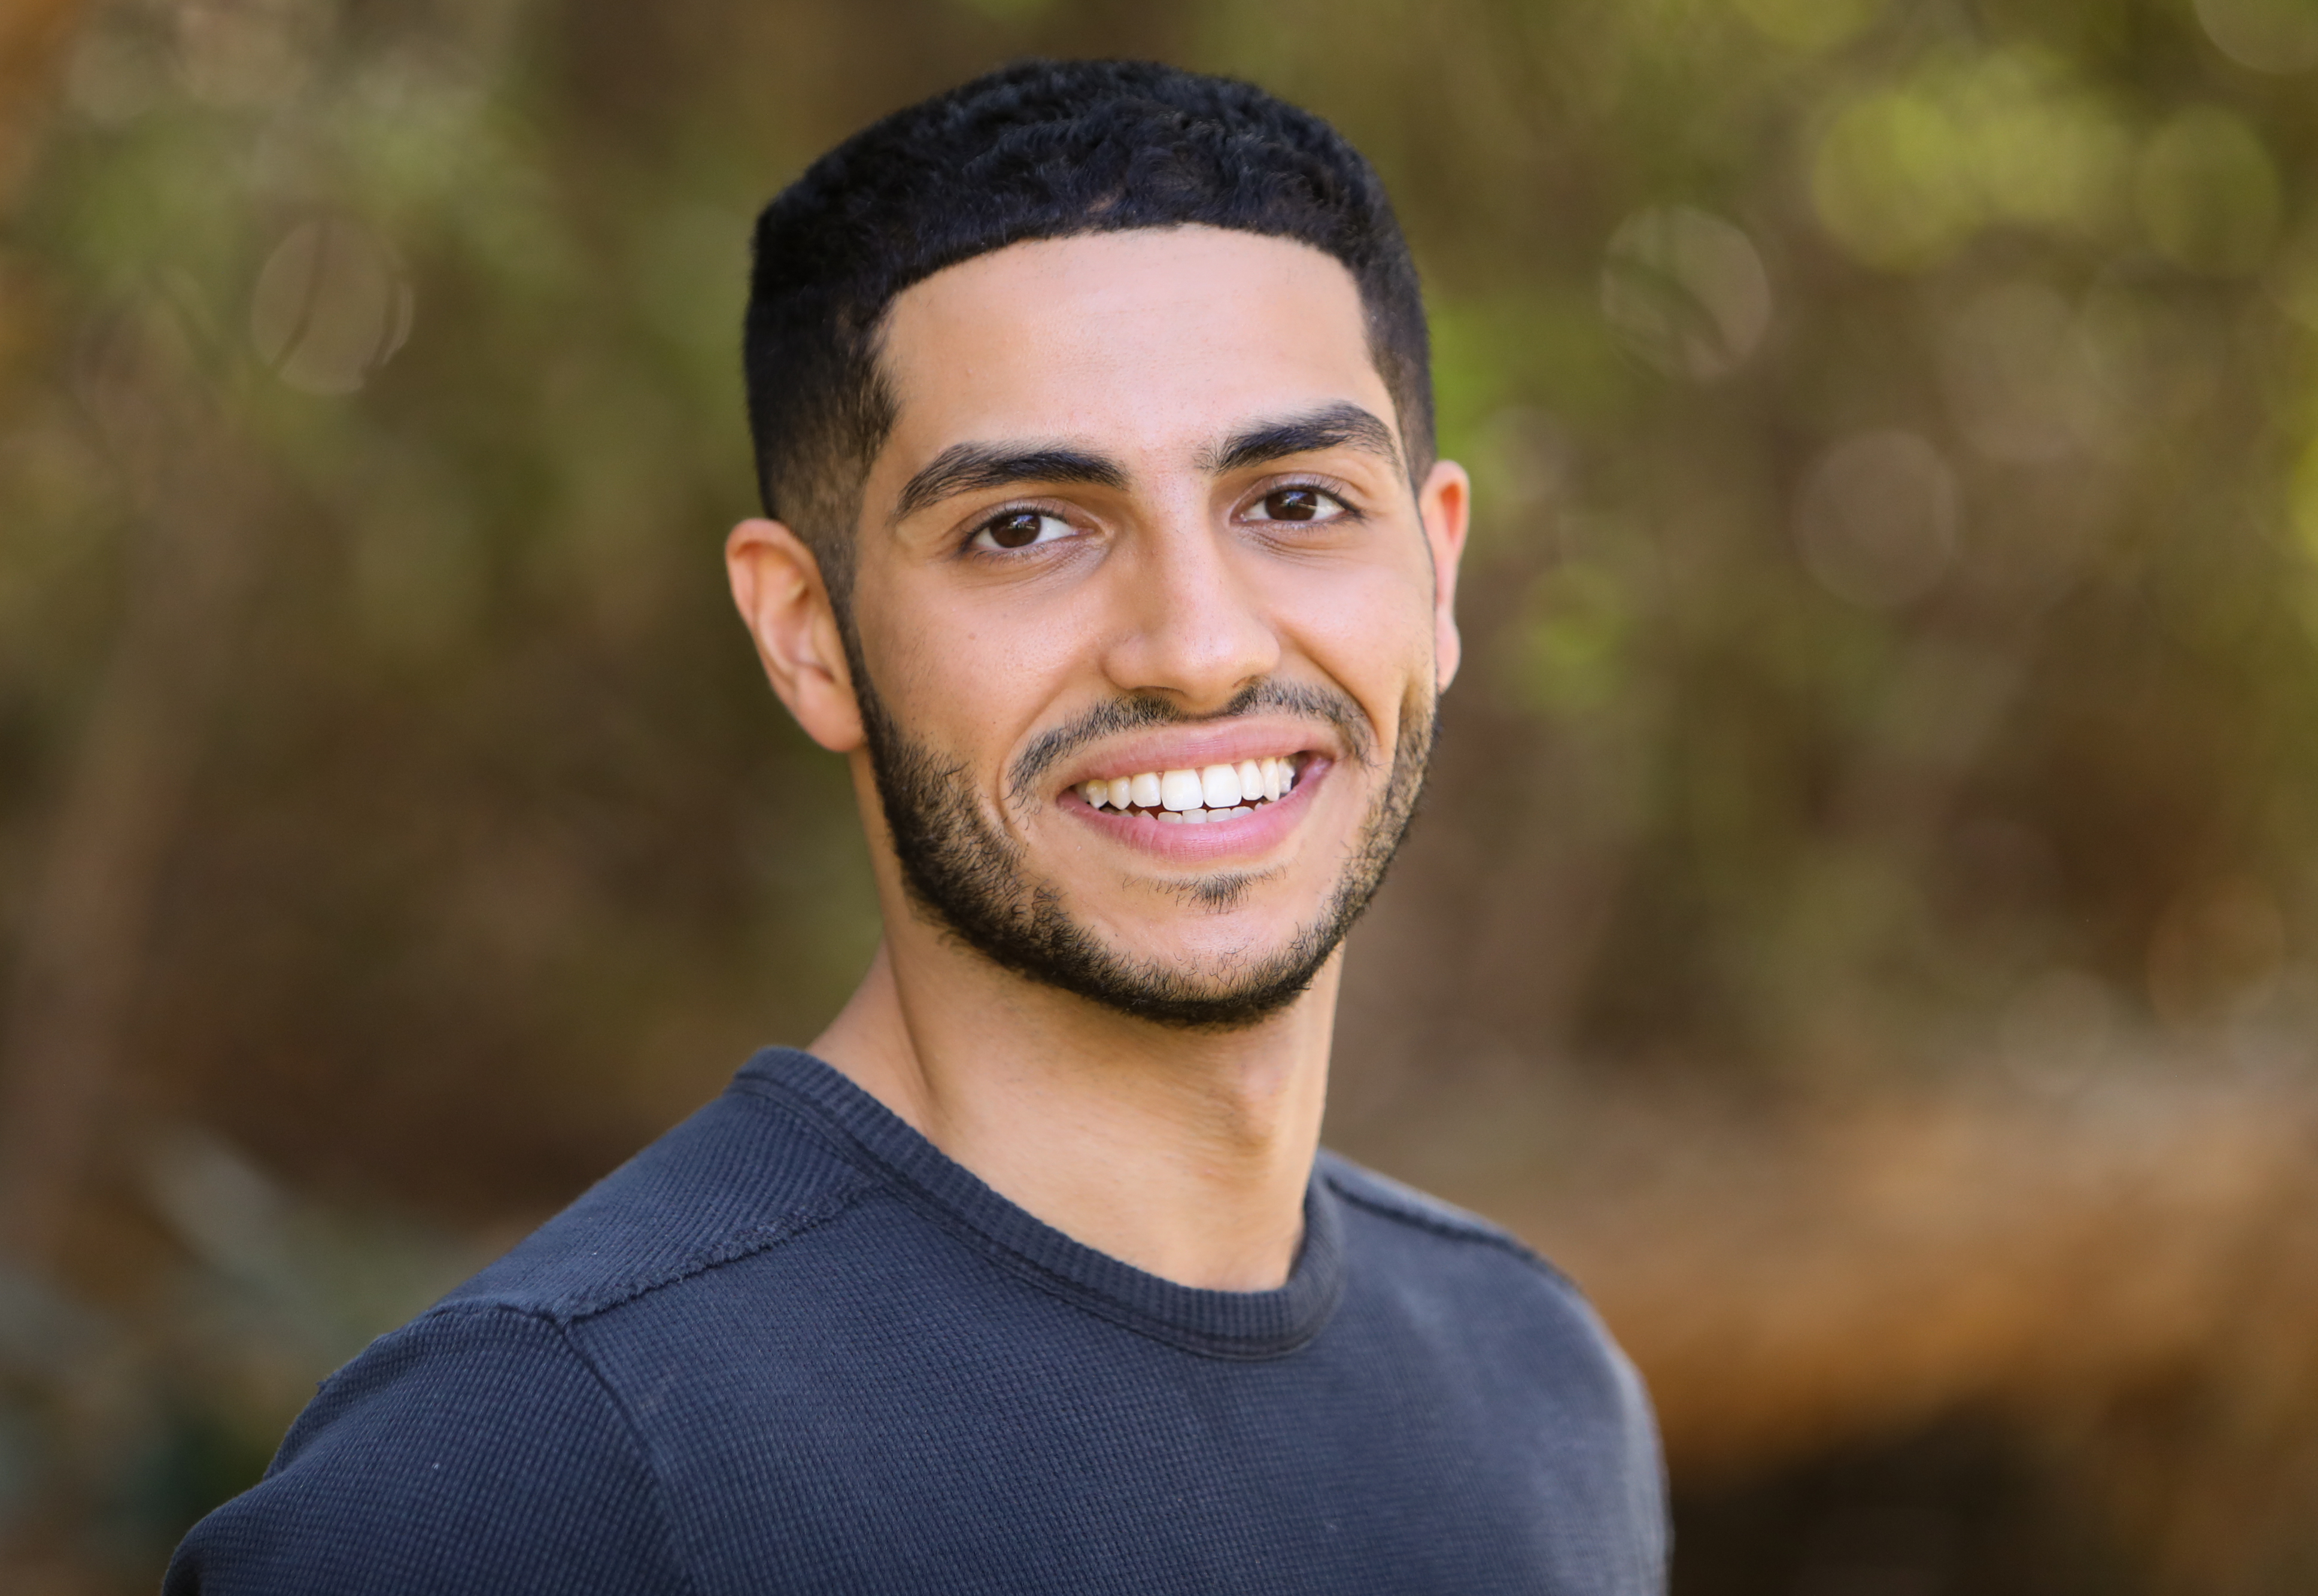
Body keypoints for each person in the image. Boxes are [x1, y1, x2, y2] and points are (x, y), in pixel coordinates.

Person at [167, 58, 1668, 1594]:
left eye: (1293, 501)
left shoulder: (1543, 1390)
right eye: (1023, 527)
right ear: (807, 632)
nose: (1199, 645)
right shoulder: (525, 1470)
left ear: (1436, 573)